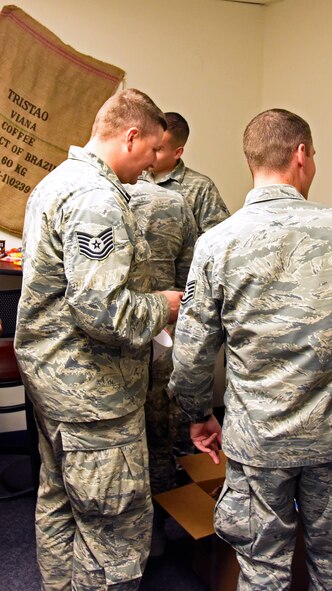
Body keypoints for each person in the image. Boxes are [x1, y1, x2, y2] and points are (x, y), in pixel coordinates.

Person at [168, 108, 332, 590]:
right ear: (301, 154)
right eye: (313, 155)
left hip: (258, 442)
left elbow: (191, 354)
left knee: (262, 570)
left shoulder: (216, 244)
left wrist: (198, 414)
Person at [14, 88, 183, 590]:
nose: (154, 165)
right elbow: (103, 311)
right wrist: (165, 305)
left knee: (61, 500)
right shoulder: (96, 198)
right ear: (131, 137)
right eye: (153, 151)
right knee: (114, 529)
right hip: (92, 395)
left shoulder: (56, 182)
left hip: (54, 385)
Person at [126, 178, 198, 555]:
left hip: (110, 350)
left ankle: (126, 535)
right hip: (163, 336)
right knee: (161, 433)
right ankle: (158, 528)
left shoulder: (91, 196)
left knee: (120, 440)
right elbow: (190, 279)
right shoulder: (175, 202)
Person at [142, 111, 230, 235]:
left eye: (158, 149)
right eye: (149, 146)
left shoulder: (201, 187)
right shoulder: (133, 177)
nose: (149, 153)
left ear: (177, 152)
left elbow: (216, 239)